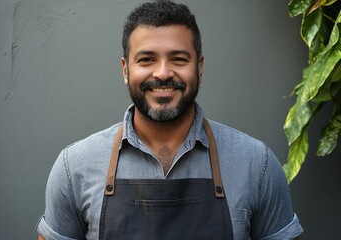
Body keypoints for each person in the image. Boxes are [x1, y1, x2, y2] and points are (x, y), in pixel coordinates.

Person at [36, 0, 303, 239]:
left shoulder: (257, 164)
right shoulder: (75, 167)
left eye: (178, 58)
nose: (163, 73)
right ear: (125, 70)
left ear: (199, 68)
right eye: (146, 59)